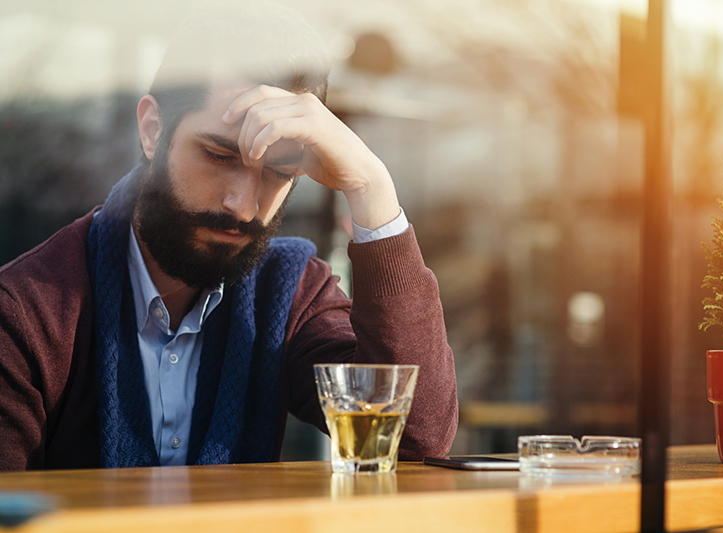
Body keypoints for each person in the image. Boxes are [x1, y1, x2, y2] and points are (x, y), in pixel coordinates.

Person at [0, 1, 458, 470]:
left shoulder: (292, 292)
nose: (242, 205)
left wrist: (371, 187)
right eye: (218, 156)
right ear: (153, 129)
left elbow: (416, 439)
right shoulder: (27, 313)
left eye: (278, 171)